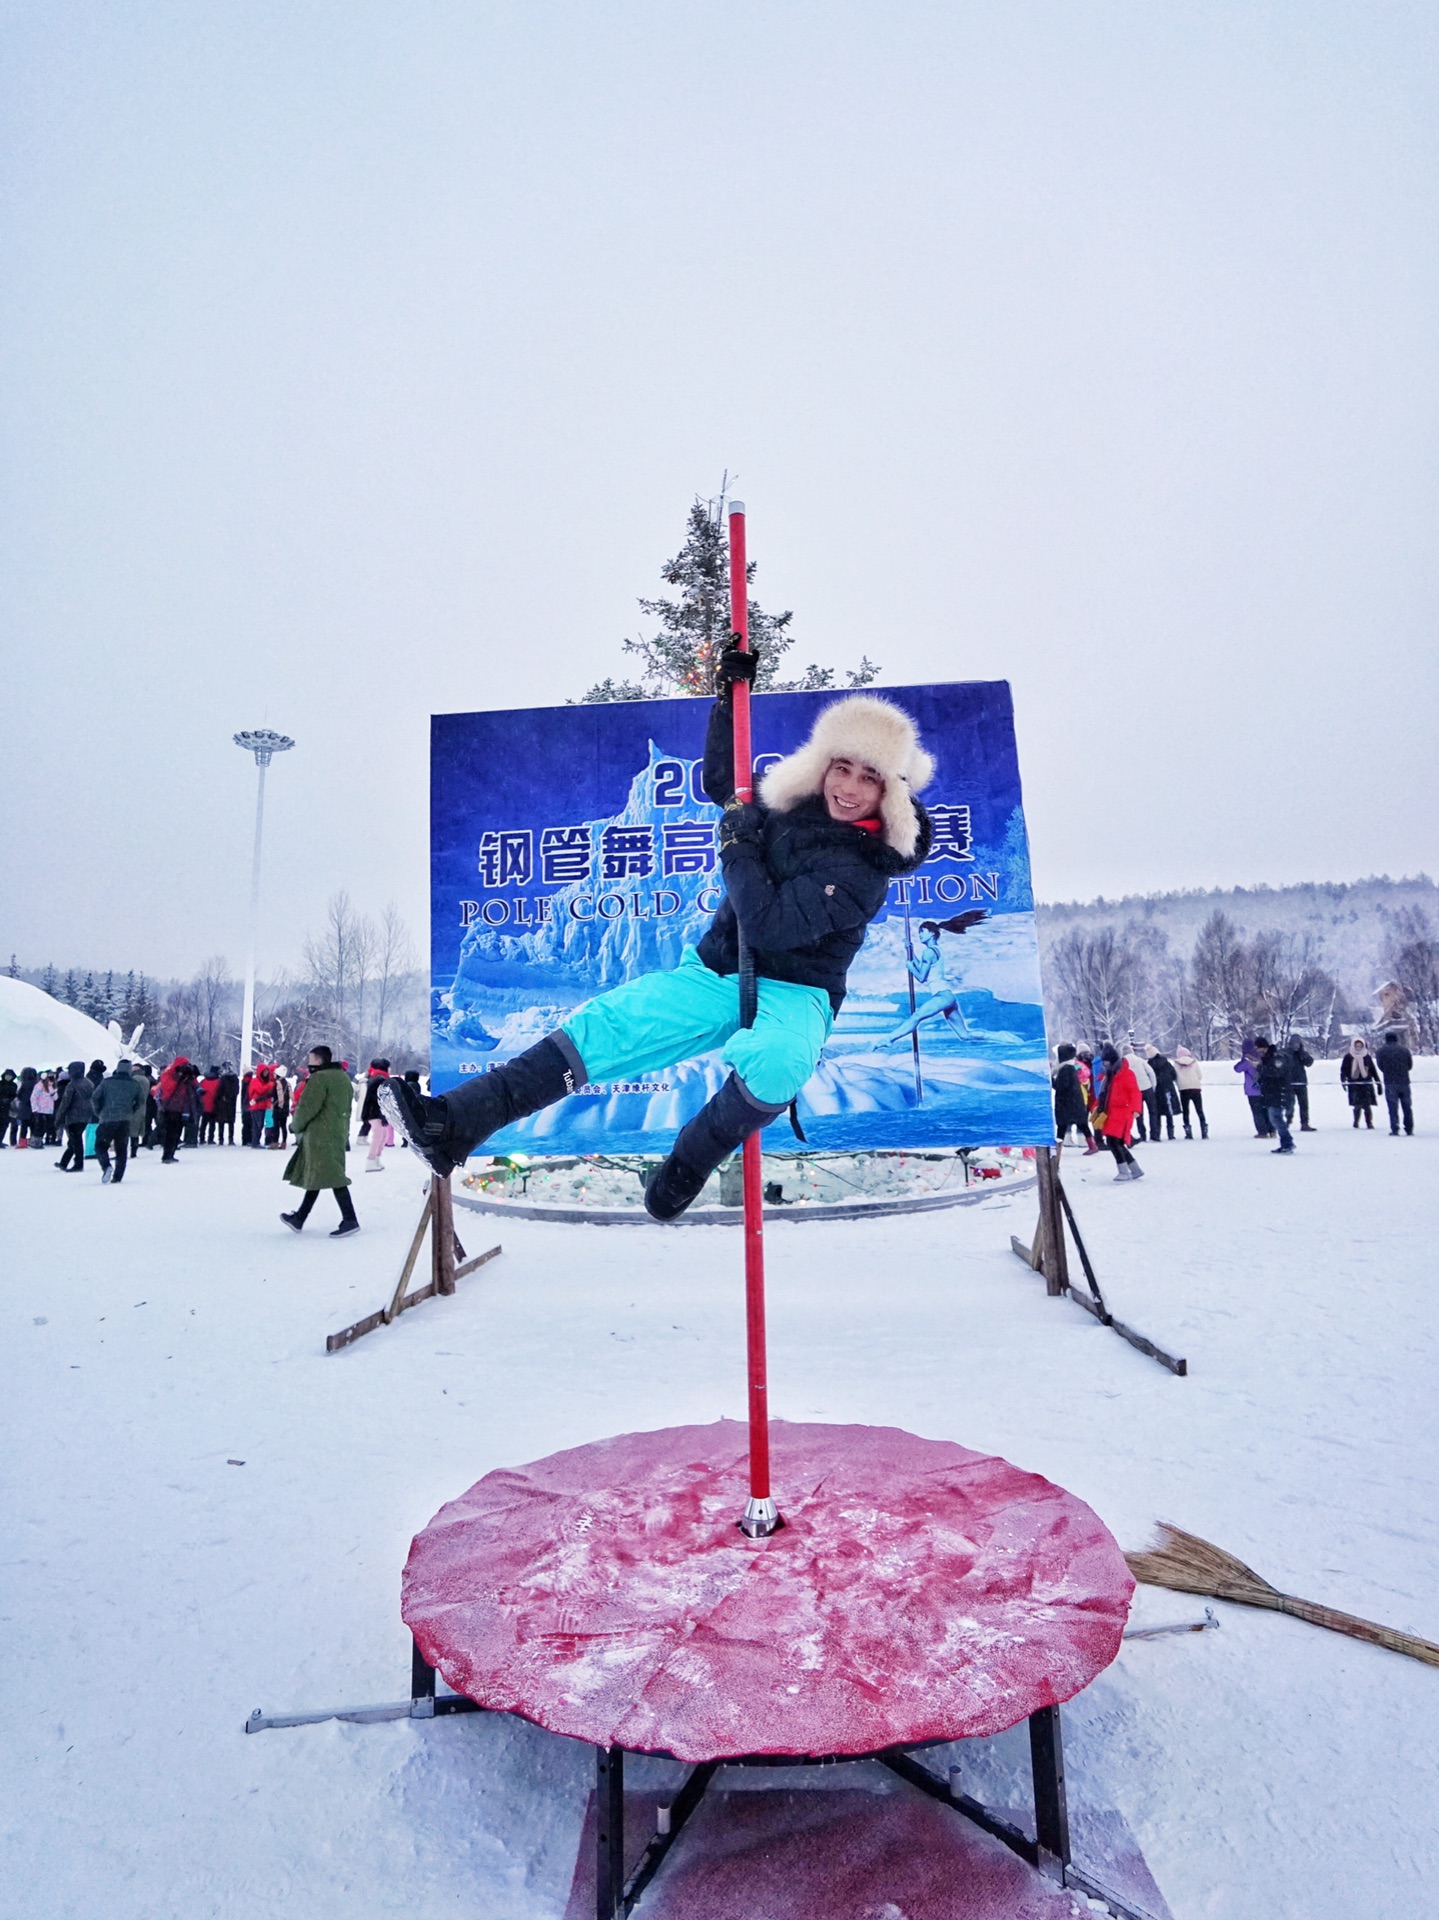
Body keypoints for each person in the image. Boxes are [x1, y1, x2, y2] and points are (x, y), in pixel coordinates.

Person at [384, 668, 937, 1220]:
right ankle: (452, 1123)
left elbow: (767, 924)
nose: (849, 787)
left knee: (779, 1059)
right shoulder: (785, 811)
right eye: (841, 767)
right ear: (821, 767)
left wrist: (738, 844)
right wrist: (727, 702)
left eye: (868, 777)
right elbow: (726, 786)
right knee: (603, 1026)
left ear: (889, 793)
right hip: (716, 970)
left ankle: (692, 1158)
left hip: (797, 993)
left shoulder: (868, 868)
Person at [280, 1045, 359, 1236]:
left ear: (319, 1060)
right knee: (321, 1173)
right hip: (337, 1132)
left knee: (333, 1175)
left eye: (311, 1059)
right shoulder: (342, 1077)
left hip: (320, 1134)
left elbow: (308, 1107)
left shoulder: (319, 1079)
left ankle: (350, 1219)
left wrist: (295, 1126)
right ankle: (299, 1218)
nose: (309, 1063)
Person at [882, 911, 989, 1047]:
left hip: (942, 996)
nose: (920, 935)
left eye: (922, 931)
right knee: (964, 1035)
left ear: (931, 933)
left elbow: (921, 977)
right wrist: (910, 952)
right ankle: (1003, 1037)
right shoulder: (934, 950)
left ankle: (889, 1039)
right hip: (947, 995)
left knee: (917, 1016)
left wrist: (910, 967)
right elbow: (922, 967)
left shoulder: (928, 952)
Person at [1092, 1044, 1145, 1181]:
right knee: (1116, 1142)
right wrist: (1097, 1106)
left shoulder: (1126, 1074)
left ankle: (1124, 1171)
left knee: (1113, 1141)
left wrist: (1136, 1109)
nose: (1104, 1064)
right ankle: (1134, 1169)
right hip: (1112, 1112)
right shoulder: (1110, 1075)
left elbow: (1135, 1093)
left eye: (1106, 1062)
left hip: (1123, 1112)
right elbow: (1105, 1094)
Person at [91, 1059, 146, 1183]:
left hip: (107, 1119)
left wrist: (99, 1112)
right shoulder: (134, 1084)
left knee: (100, 1146)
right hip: (125, 1120)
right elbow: (141, 1102)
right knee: (121, 1149)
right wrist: (131, 1112)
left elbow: (95, 1098)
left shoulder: (106, 1082)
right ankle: (118, 1176)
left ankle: (106, 1166)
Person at [1255, 1040, 1295, 1153]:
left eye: (1258, 1048)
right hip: (1272, 1093)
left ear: (1264, 1047)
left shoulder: (1277, 1058)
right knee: (1275, 1118)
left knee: (1276, 1118)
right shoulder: (1268, 1058)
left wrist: (1260, 1068)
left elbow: (1276, 1073)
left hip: (1280, 1092)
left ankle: (1287, 1142)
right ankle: (1286, 1143)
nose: (1258, 1051)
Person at [157, 1057, 198, 1162]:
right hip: (170, 1108)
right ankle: (166, 1155)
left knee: (177, 1133)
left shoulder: (186, 1078)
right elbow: (168, 1088)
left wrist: (191, 1075)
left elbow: (195, 1087)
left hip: (182, 1108)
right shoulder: (168, 1075)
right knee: (170, 1132)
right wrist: (179, 1077)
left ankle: (171, 1153)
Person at [1051, 1044, 1092, 1147]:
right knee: (1080, 1124)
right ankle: (1091, 1144)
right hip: (1074, 1101)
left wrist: (1052, 1081)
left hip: (1066, 1102)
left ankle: (1058, 1148)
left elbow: (1061, 1086)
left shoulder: (1065, 1068)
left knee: (1063, 1125)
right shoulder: (1073, 1066)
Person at [1375, 1030, 1414, 1136]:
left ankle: (1395, 1128)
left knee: (1392, 1107)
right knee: (1407, 1106)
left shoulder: (1380, 1052)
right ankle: (1409, 1128)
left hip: (1390, 1082)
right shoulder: (1405, 1050)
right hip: (1404, 1081)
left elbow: (1381, 1066)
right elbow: (1410, 1065)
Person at [54, 1062, 93, 1170]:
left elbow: (65, 1103)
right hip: (86, 1116)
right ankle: (64, 1162)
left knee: (75, 1141)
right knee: (74, 1140)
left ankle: (78, 1164)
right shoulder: (88, 1083)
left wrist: (58, 1118)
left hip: (73, 1116)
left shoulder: (72, 1084)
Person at [1340, 1037, 1381, 1128]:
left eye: (1360, 1046)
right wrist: (1343, 1081)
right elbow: (1343, 1070)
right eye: (1356, 1046)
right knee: (1357, 1105)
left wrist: (1378, 1083)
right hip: (1354, 1084)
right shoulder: (1348, 1057)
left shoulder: (1367, 1056)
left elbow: (1373, 1070)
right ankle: (1356, 1121)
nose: (1358, 1048)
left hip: (1366, 1084)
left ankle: (1369, 1122)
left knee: (1367, 1105)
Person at [360, 1058, 392, 1170]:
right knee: (379, 1136)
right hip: (375, 1113)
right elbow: (377, 1099)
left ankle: (375, 1159)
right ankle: (371, 1160)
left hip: (376, 1112)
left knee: (383, 1135)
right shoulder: (379, 1079)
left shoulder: (377, 1078)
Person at [1235, 1041, 1272, 1137]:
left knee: (1257, 1112)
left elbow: (1237, 1069)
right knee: (1266, 1110)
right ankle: (1272, 1131)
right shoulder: (1262, 1057)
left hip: (1253, 1090)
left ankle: (1262, 1132)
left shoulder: (1247, 1060)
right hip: (1265, 1088)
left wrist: (1243, 1059)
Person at [1144, 1045, 1180, 1141]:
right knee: (1169, 1112)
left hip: (1156, 1091)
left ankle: (1157, 1134)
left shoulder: (1149, 1065)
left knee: (1157, 1113)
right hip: (1168, 1089)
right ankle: (1171, 1134)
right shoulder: (1166, 1063)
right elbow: (1174, 1075)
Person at [1283, 1035, 1316, 1132]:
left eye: (1298, 1043)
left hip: (1301, 1082)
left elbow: (1309, 1063)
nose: (1296, 1045)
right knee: (1289, 1104)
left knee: (1304, 1104)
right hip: (1289, 1083)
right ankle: (1287, 1121)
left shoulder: (1302, 1053)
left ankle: (1305, 1123)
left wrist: (1304, 1055)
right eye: (1294, 1043)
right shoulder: (1285, 1053)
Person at [1173, 1046, 1207, 1138]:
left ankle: (1188, 1132)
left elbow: (1175, 1077)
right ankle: (1204, 1132)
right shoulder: (1194, 1062)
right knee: (1199, 1110)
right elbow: (1199, 1075)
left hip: (1183, 1089)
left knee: (1186, 1111)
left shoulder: (1176, 1064)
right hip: (1195, 1088)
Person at [1125, 1045, 1156, 1141]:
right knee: (1153, 1111)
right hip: (1147, 1087)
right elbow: (1151, 1072)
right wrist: (1153, 1085)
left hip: (1135, 1091)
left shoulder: (1123, 1063)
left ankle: (1142, 1135)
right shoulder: (1140, 1060)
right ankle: (1154, 1134)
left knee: (1138, 1113)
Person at [247, 1063, 277, 1148]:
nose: (266, 1074)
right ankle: (255, 1142)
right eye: (265, 1072)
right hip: (256, 1106)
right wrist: (270, 1085)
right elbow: (261, 1090)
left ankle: (256, 1142)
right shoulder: (255, 1081)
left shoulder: (264, 1081)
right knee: (257, 1125)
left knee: (260, 1125)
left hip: (263, 1106)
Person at [215, 1064, 238, 1145]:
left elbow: (219, 1091)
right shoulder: (235, 1079)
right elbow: (236, 1091)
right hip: (231, 1102)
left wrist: (220, 1097)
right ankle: (230, 1139)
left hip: (222, 1103)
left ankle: (221, 1139)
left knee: (221, 1122)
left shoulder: (222, 1079)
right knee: (231, 1122)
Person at [198, 1067, 221, 1144]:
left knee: (203, 1123)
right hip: (214, 1104)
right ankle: (210, 1138)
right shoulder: (218, 1081)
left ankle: (201, 1138)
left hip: (204, 1105)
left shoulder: (203, 1081)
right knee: (212, 1123)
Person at [0, 1067, 16, 1146]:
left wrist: (8, 1100)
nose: (8, 1077)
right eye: (7, 1075)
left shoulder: (14, 1085)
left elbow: (14, 1096)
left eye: (10, 1076)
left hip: (8, 1108)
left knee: (5, 1125)